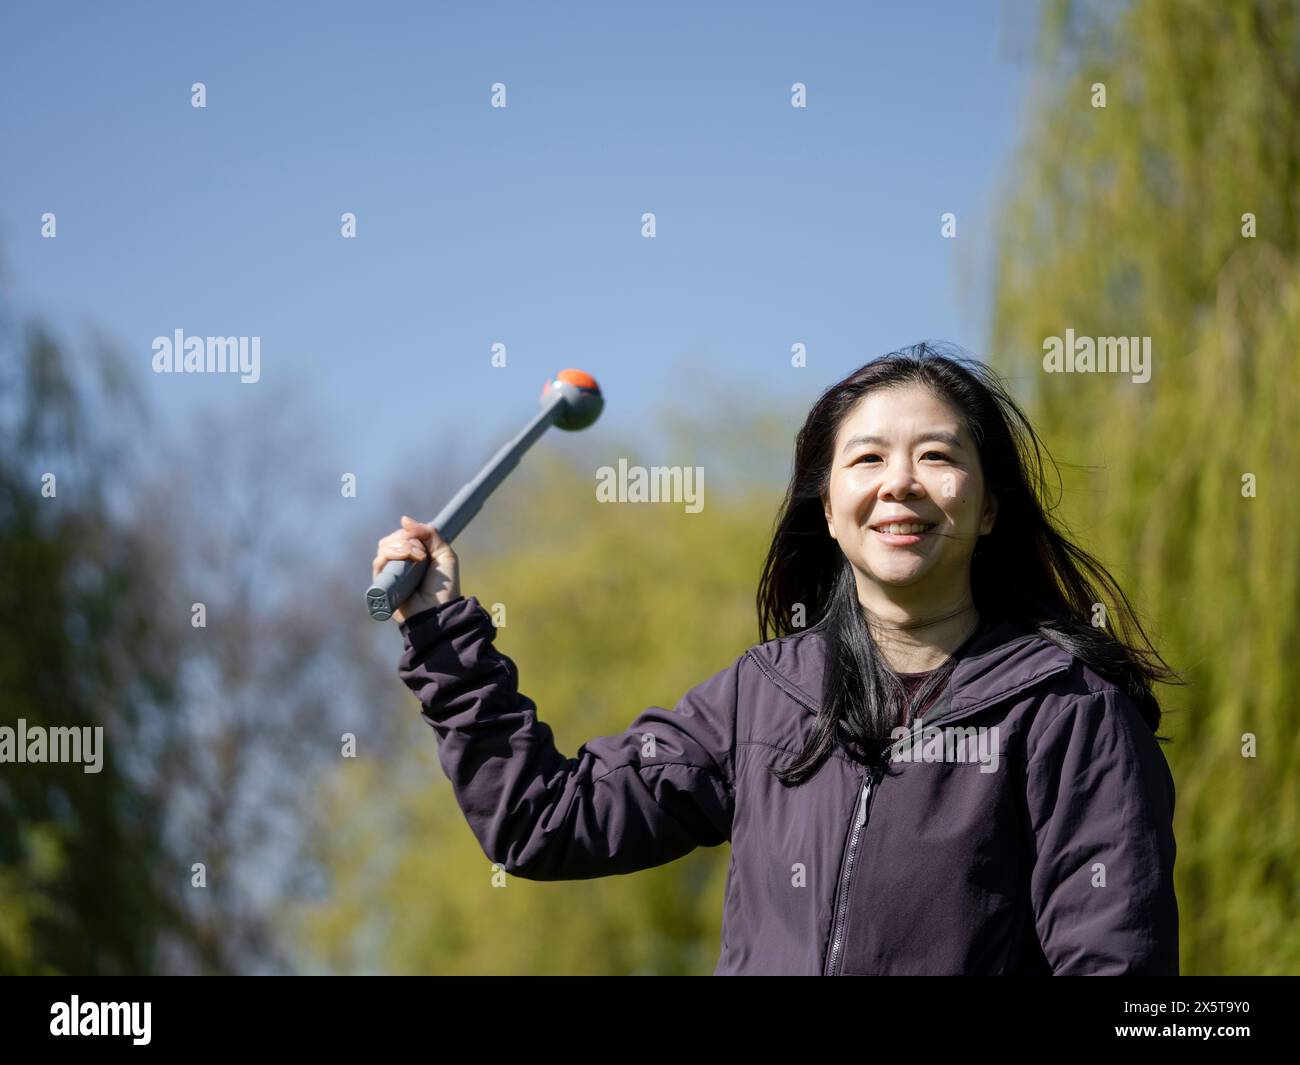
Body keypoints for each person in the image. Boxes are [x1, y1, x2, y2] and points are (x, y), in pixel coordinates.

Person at [372, 342, 1180, 975]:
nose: (900, 482)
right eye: (867, 458)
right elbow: (544, 819)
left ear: (990, 503)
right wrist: (443, 634)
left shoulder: (1070, 711)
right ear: (828, 510)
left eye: (937, 456)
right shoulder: (764, 698)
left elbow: (1117, 966)